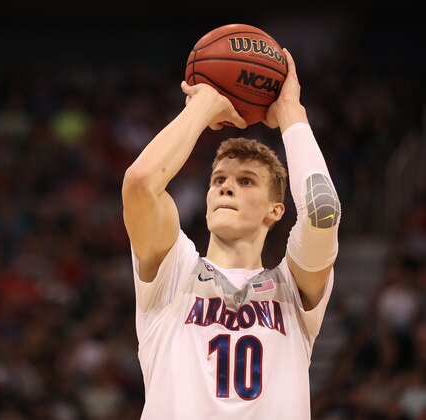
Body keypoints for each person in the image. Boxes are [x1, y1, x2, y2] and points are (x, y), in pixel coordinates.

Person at [121, 48, 341, 419]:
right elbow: (141, 184)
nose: (226, 188)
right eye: (218, 180)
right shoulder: (174, 271)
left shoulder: (292, 288)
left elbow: (322, 210)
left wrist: (290, 112)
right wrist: (203, 105)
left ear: (275, 210)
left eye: (245, 181)